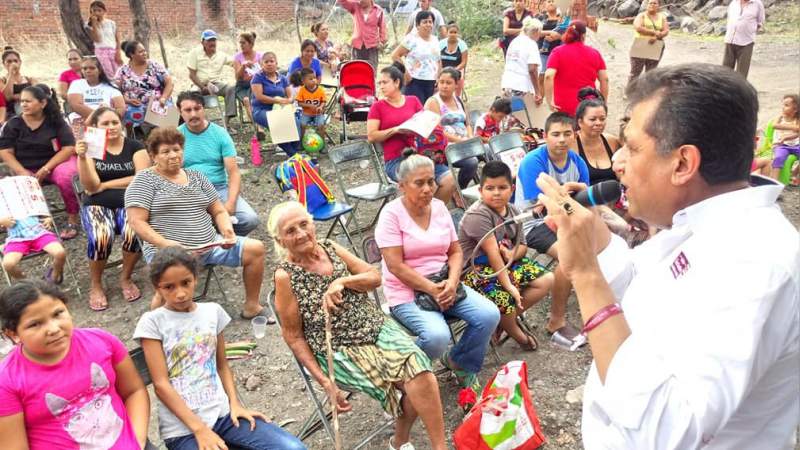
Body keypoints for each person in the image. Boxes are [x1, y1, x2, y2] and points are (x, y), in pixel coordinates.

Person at [535, 63, 800, 448]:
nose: (618, 163)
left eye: (632, 147)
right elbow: (637, 285)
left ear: (682, 164)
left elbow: (665, 432)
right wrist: (596, 237)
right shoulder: (700, 220)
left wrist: (587, 276)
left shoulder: (756, 262)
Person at [270, 201, 448, 450]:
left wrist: (344, 281)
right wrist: (325, 382)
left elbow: (375, 277)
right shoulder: (285, 276)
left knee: (421, 374)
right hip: (338, 348)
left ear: (312, 224)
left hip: (375, 327)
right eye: (290, 231)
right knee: (413, 382)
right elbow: (293, 336)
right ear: (280, 241)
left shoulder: (330, 247)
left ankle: (429, 445)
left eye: (303, 224)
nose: (300, 234)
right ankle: (400, 440)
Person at [134, 247, 304, 450]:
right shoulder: (152, 322)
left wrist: (235, 404)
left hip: (224, 415)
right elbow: (161, 385)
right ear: (157, 288)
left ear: (195, 278)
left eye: (185, 283)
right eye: (169, 287)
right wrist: (199, 429)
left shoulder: (212, 312)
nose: (180, 293)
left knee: (292, 448)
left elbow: (222, 366)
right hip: (183, 430)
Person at [375, 153, 501, 392]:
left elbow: (454, 252)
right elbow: (395, 266)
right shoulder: (391, 215)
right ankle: (405, 377)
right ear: (401, 186)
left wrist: (452, 283)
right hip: (408, 293)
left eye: (431, 181)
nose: (427, 188)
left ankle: (459, 361)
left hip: (445, 284)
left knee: (489, 315)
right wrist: (432, 288)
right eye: (419, 183)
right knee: (437, 337)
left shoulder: (440, 208)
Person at [124, 127, 267, 320]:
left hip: (208, 244)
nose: (173, 155)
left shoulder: (197, 177)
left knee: (255, 249)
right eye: (166, 152)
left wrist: (227, 231)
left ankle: (252, 306)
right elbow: (137, 222)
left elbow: (218, 209)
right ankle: (158, 327)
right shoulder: (144, 181)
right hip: (168, 250)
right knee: (169, 278)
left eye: (176, 149)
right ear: (153, 156)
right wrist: (169, 246)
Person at [0, 280, 151, 450]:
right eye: (35, 324)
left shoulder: (101, 342)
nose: (54, 328)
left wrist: (137, 442)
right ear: (13, 334)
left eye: (58, 313)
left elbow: (134, 391)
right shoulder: (7, 382)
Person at [459, 161, 554, 351]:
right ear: (480, 190)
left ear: (511, 189)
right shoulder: (478, 215)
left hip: (505, 263)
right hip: (475, 271)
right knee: (504, 298)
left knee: (547, 279)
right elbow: (493, 254)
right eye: (490, 188)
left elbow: (522, 247)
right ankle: (518, 335)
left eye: (502, 188)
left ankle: (503, 323)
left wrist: (511, 253)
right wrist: (509, 286)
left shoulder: (513, 211)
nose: (496, 193)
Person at [515, 112, 589, 349]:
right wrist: (567, 191)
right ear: (545, 136)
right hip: (534, 224)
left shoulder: (577, 162)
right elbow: (539, 207)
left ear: (575, 135)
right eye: (555, 134)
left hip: (567, 218)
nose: (562, 140)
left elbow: (586, 197)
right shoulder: (533, 162)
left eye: (567, 134)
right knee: (571, 258)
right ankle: (555, 321)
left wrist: (574, 189)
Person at [76, 107, 150, 311]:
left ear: (121, 123)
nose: (111, 127)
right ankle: (96, 284)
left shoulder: (135, 146)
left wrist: (106, 184)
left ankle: (125, 277)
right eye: (105, 124)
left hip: (130, 202)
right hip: (98, 204)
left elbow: (142, 178)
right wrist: (82, 158)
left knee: (134, 231)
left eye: (114, 122)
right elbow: (91, 187)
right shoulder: (91, 149)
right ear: (96, 128)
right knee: (101, 236)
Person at [367, 64, 458, 205]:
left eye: (385, 82)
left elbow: (426, 122)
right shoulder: (377, 107)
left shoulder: (413, 101)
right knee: (423, 182)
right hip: (396, 160)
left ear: (397, 82)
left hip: (421, 154)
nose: (381, 86)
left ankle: (432, 215)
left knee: (450, 179)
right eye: (379, 83)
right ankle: (420, 215)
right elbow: (372, 136)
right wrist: (396, 130)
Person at [0, 85, 81, 239]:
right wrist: (22, 171)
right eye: (22, 101)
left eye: (28, 101)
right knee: (24, 182)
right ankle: (35, 225)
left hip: (57, 162)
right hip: (27, 167)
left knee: (65, 177)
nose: (23, 104)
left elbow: (68, 148)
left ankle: (72, 218)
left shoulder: (56, 121)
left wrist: (46, 168)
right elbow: (5, 152)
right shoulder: (13, 125)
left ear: (42, 103)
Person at [177, 91, 260, 237]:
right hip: (188, 190)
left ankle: (217, 237)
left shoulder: (220, 133)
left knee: (249, 219)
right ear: (180, 112)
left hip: (218, 188)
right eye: (188, 110)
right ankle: (211, 234)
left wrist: (230, 203)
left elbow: (233, 172)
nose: (193, 114)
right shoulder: (175, 136)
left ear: (204, 109)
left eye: (197, 108)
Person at [424, 67, 477, 189]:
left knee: (488, 151)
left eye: (448, 83)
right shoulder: (433, 102)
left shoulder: (458, 100)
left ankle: (489, 186)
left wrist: (469, 137)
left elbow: (467, 123)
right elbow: (437, 131)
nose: (444, 86)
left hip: (464, 143)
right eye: (441, 82)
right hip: (444, 146)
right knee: (472, 162)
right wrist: (460, 141)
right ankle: (458, 190)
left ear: (456, 85)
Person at [544, 20, 608, 118]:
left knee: (566, 132)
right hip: (587, 104)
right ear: (583, 36)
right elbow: (605, 79)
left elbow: (548, 76)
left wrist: (549, 100)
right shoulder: (594, 53)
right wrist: (603, 102)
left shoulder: (558, 52)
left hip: (563, 104)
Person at [250, 52, 302, 156]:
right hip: (261, 110)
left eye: (272, 61)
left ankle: (295, 149)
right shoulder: (257, 77)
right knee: (277, 123)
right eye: (266, 62)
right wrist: (278, 100)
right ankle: (292, 154)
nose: (269, 64)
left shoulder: (282, 78)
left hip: (280, 108)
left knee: (296, 121)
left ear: (276, 63)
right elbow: (260, 97)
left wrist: (289, 100)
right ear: (261, 64)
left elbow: (290, 95)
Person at [115, 40, 174, 130]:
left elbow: (169, 83)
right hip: (134, 104)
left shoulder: (154, 65)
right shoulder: (122, 71)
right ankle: (137, 138)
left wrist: (163, 98)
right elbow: (115, 90)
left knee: (167, 119)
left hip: (158, 101)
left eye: (144, 51)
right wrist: (126, 100)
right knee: (129, 113)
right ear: (131, 54)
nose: (144, 53)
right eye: (141, 52)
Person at [0, 204, 65, 284]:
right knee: (8, 264)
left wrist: (49, 218)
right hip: (16, 238)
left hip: (40, 233)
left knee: (60, 253)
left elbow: (42, 208)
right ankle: (30, 284)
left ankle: (53, 279)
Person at [392, 11, 442, 105]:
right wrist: (406, 73)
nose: (428, 24)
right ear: (418, 25)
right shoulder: (411, 39)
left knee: (430, 111)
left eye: (430, 22)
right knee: (416, 111)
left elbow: (438, 61)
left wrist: (439, 78)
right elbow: (395, 55)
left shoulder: (435, 40)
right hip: (414, 81)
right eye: (425, 22)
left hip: (431, 82)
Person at [186, 30, 237, 122]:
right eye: (209, 40)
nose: (212, 43)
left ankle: (227, 120)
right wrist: (202, 87)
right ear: (202, 42)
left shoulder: (221, 55)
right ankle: (199, 121)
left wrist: (245, 63)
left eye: (213, 40)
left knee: (231, 88)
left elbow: (235, 63)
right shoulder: (195, 53)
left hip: (216, 84)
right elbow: (191, 75)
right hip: (199, 84)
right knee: (192, 94)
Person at [575, 88, 620, 185]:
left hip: (614, 196)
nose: (598, 123)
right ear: (580, 122)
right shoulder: (571, 144)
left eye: (602, 119)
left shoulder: (612, 141)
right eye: (592, 119)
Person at [67, 56, 126, 121]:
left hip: (107, 121)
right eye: (84, 68)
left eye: (92, 68)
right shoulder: (76, 84)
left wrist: (106, 119)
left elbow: (120, 108)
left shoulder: (111, 86)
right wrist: (99, 118)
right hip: (81, 120)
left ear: (100, 70)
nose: (88, 71)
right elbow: (76, 105)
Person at [501, 17, 543, 101]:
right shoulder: (531, 44)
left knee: (510, 112)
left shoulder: (514, 41)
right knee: (523, 113)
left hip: (507, 83)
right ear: (536, 31)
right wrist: (537, 91)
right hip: (522, 86)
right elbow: (532, 69)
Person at [337, 0, 388, 70]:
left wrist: (382, 41)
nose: (361, 1)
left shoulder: (378, 10)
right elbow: (342, 1)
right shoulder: (355, 6)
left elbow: (383, 27)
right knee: (356, 69)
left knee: (371, 70)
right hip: (357, 45)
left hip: (372, 46)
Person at [629, 0, 669, 84]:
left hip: (656, 45)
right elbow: (638, 28)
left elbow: (666, 31)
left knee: (651, 71)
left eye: (655, 3)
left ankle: (646, 92)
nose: (652, 5)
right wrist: (654, 32)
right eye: (650, 3)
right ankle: (630, 91)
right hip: (641, 45)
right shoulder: (642, 15)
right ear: (647, 5)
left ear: (658, 5)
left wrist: (656, 36)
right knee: (635, 71)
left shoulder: (662, 17)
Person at [723, 0, 765, 79]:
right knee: (725, 70)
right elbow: (729, 19)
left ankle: (739, 90)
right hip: (730, 40)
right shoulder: (734, 3)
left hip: (746, 42)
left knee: (742, 73)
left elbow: (760, 22)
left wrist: (750, 30)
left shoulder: (757, 4)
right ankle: (725, 90)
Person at [536, 0, 570, 88]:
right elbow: (535, 32)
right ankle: (540, 98)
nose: (551, 3)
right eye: (548, 1)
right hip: (543, 52)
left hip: (560, 53)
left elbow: (569, 32)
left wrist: (558, 36)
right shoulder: (540, 18)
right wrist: (551, 32)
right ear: (544, 4)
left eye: (553, 1)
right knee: (541, 77)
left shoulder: (562, 17)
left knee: (558, 77)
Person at [85, 1, 122, 79]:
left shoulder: (111, 23)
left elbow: (117, 40)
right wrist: (94, 24)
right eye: (94, 11)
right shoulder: (88, 25)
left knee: (118, 71)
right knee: (108, 73)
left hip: (113, 50)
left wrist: (118, 52)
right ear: (91, 12)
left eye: (99, 10)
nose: (97, 13)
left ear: (104, 11)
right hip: (101, 51)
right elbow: (97, 39)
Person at [233, 32, 261, 132]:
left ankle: (260, 125)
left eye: (243, 43)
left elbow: (264, 73)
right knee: (246, 100)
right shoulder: (237, 57)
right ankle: (258, 127)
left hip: (256, 84)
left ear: (251, 43)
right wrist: (243, 66)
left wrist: (255, 68)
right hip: (242, 86)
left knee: (254, 99)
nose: (241, 45)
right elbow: (237, 77)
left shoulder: (259, 56)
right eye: (240, 43)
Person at [769, 94, 800, 181]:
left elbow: (797, 134)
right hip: (781, 145)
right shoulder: (780, 117)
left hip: (795, 145)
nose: (783, 107)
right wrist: (794, 128)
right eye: (783, 104)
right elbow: (774, 125)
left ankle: (794, 173)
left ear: (795, 109)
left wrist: (786, 137)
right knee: (778, 157)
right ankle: (774, 181)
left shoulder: (797, 120)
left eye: (786, 105)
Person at [1, 47, 37, 119]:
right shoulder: (2, 80)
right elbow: (7, 97)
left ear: (20, 62)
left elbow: (36, 95)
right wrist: (11, 74)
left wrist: (15, 96)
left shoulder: (29, 79)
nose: (13, 63)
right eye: (9, 61)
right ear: (4, 64)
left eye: (15, 61)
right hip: (11, 114)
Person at [439, 22, 469, 97]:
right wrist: (442, 70)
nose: (453, 34)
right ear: (447, 32)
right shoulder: (441, 44)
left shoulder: (462, 45)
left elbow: (464, 62)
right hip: (442, 69)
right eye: (451, 32)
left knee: (459, 82)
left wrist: (454, 71)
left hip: (457, 69)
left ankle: (457, 99)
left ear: (458, 34)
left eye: (455, 32)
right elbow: (437, 59)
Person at [295, 68, 327, 138]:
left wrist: (321, 107)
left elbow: (324, 101)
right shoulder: (302, 90)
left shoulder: (320, 89)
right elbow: (299, 103)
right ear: (303, 81)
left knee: (321, 125)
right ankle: (301, 141)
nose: (314, 80)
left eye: (315, 78)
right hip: (306, 114)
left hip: (318, 113)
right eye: (311, 79)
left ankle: (322, 142)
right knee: (302, 125)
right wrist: (309, 105)